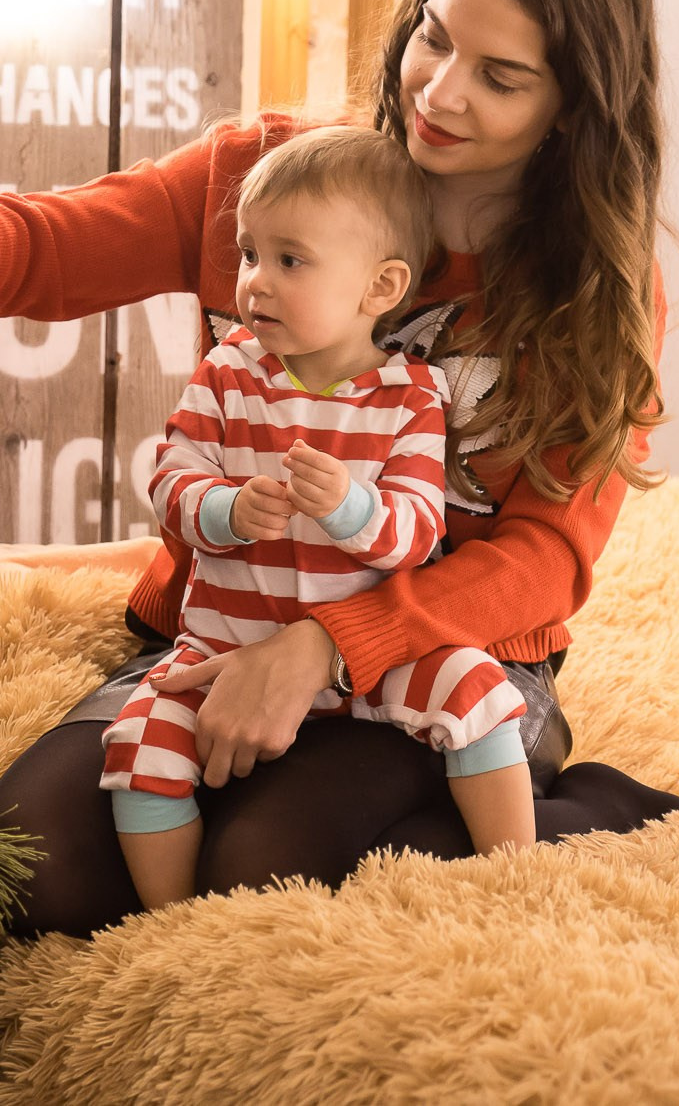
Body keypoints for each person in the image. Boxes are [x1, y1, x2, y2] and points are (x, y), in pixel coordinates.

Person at [0, 0, 679, 935]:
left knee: (261, 866)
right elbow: (72, 234)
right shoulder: (280, 179)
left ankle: (586, 808)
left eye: (500, 78)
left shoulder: (595, 288)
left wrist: (327, 645)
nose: (441, 91)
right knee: (34, 866)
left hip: (449, 661)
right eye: (434, 38)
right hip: (218, 629)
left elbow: (545, 557)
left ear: (574, 108)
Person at [106, 127, 534, 909]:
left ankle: (520, 876)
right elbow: (171, 477)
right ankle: (170, 932)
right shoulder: (229, 372)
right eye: (247, 254)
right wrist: (226, 510)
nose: (254, 282)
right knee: (138, 745)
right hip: (226, 646)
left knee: (474, 687)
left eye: (289, 260)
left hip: (366, 659)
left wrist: (350, 508)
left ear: (380, 287)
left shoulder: (411, 397)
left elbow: (417, 530)